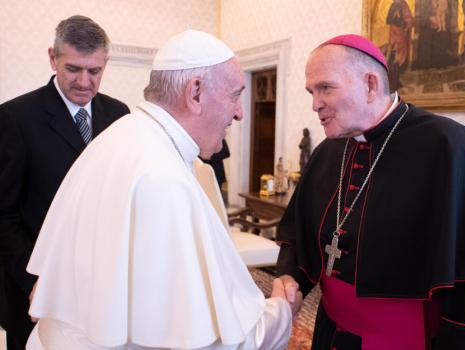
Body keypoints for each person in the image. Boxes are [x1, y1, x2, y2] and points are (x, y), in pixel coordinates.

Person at [24, 29, 299, 349]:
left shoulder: (119, 136)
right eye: (235, 95)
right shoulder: (164, 179)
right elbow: (211, 343)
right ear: (195, 92)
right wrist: (281, 311)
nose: (239, 112)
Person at [276, 34, 465, 349]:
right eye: (312, 91)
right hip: (332, 333)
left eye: (325, 88)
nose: (315, 103)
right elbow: (300, 233)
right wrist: (289, 276)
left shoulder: (452, 148)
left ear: (370, 84)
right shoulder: (328, 151)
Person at [0, 15, 129, 350]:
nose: (85, 82)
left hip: (99, 289)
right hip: (35, 289)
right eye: (73, 69)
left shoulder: (120, 115)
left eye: (95, 71)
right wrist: (34, 281)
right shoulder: (14, 118)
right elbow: (4, 214)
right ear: (52, 58)